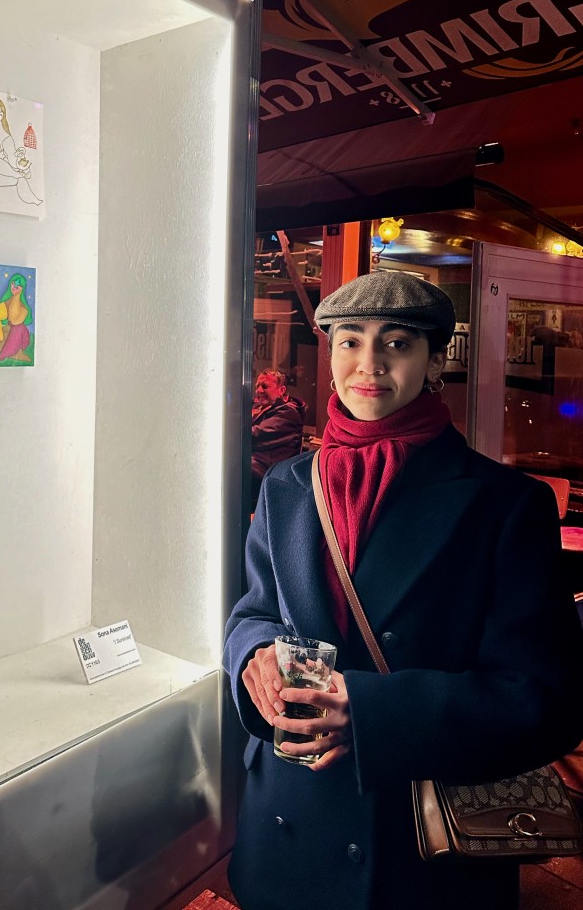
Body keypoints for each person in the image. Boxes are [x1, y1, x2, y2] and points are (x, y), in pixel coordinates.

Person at [224, 271, 583, 910]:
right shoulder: (286, 486)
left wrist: (371, 713)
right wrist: (253, 655)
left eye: (396, 343)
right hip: (287, 824)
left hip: (419, 849)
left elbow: (545, 699)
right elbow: (253, 611)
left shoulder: (505, 505)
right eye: (350, 341)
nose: (369, 363)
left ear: (435, 361)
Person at [250, 370, 305, 509]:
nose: (259, 390)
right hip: (257, 466)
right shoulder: (263, 408)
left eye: (264, 386)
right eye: (257, 386)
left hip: (269, 474)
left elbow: (256, 436)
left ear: (281, 390)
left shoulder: (289, 412)